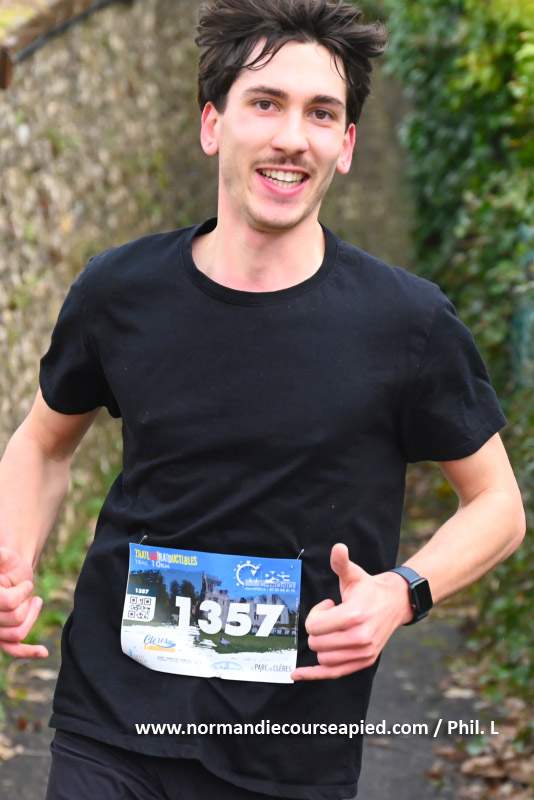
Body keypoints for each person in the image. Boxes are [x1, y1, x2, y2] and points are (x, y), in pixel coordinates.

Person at [0, 0, 525, 798]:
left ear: (346, 147)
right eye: (266, 103)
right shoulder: (119, 291)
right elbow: (44, 442)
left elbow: (498, 505)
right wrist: (14, 563)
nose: (292, 137)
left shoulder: (407, 322)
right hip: (112, 721)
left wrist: (400, 593)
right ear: (213, 125)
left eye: (322, 113)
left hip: (289, 752)